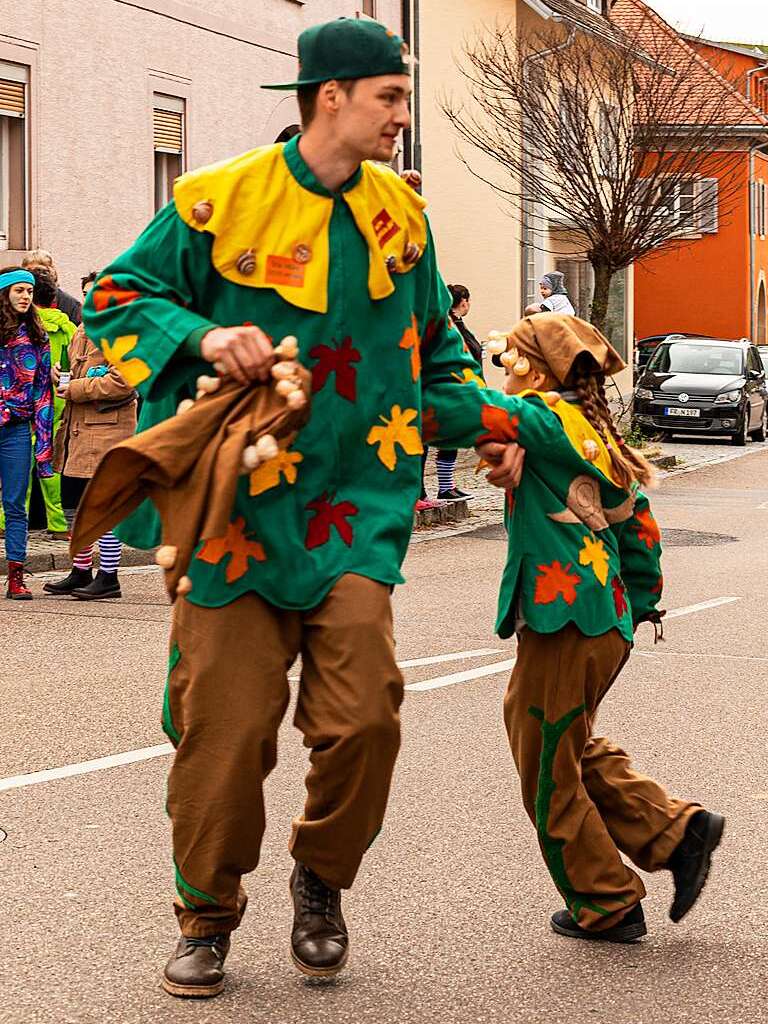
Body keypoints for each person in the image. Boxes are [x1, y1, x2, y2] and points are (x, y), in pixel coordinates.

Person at [82, 17, 525, 999]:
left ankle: (321, 877)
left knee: (368, 717)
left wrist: (510, 424)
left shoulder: (400, 222)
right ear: (332, 96)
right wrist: (201, 338)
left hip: (353, 513)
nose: (403, 118)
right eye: (391, 98)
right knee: (225, 733)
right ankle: (206, 912)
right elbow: (115, 297)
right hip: (233, 514)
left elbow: (436, 364)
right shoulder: (217, 203)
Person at [480, 312, 723, 943]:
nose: (502, 376)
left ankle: (606, 900)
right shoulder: (595, 434)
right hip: (601, 619)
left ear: (533, 371)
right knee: (565, 743)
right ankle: (675, 830)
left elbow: (465, 409)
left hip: (567, 619)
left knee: (545, 770)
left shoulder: (543, 420)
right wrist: (636, 604)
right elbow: (639, 530)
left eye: (509, 364)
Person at [43, 297, 137, 600]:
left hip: (108, 433)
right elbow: (72, 368)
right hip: (81, 431)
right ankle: (81, 570)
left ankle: (109, 576)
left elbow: (124, 382)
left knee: (105, 508)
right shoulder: (82, 330)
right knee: (84, 506)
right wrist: (58, 373)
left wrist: (75, 388)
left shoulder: (122, 333)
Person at [0, 267, 54, 599]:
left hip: (17, 430)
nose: (26, 296)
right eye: (19, 290)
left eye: (30, 291)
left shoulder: (38, 336)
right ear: (4, 294)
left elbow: (42, 392)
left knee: (16, 504)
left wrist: (44, 443)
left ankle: (16, 577)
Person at [420, 282, 482, 504]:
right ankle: (430, 489)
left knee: (448, 440)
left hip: (456, 387)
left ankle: (446, 487)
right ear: (463, 301)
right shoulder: (449, 326)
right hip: (453, 387)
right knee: (433, 441)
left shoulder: (454, 324)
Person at [30, 268, 74, 536]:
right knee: (51, 462)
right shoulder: (69, 326)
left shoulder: (21, 326)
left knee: (19, 464)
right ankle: (58, 524)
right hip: (58, 403)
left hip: (24, 404)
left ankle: (5, 521)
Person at [22, 249, 82, 325]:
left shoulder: (70, 305)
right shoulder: (19, 300)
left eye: (40, 271)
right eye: (30, 271)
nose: (35, 276)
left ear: (51, 272)